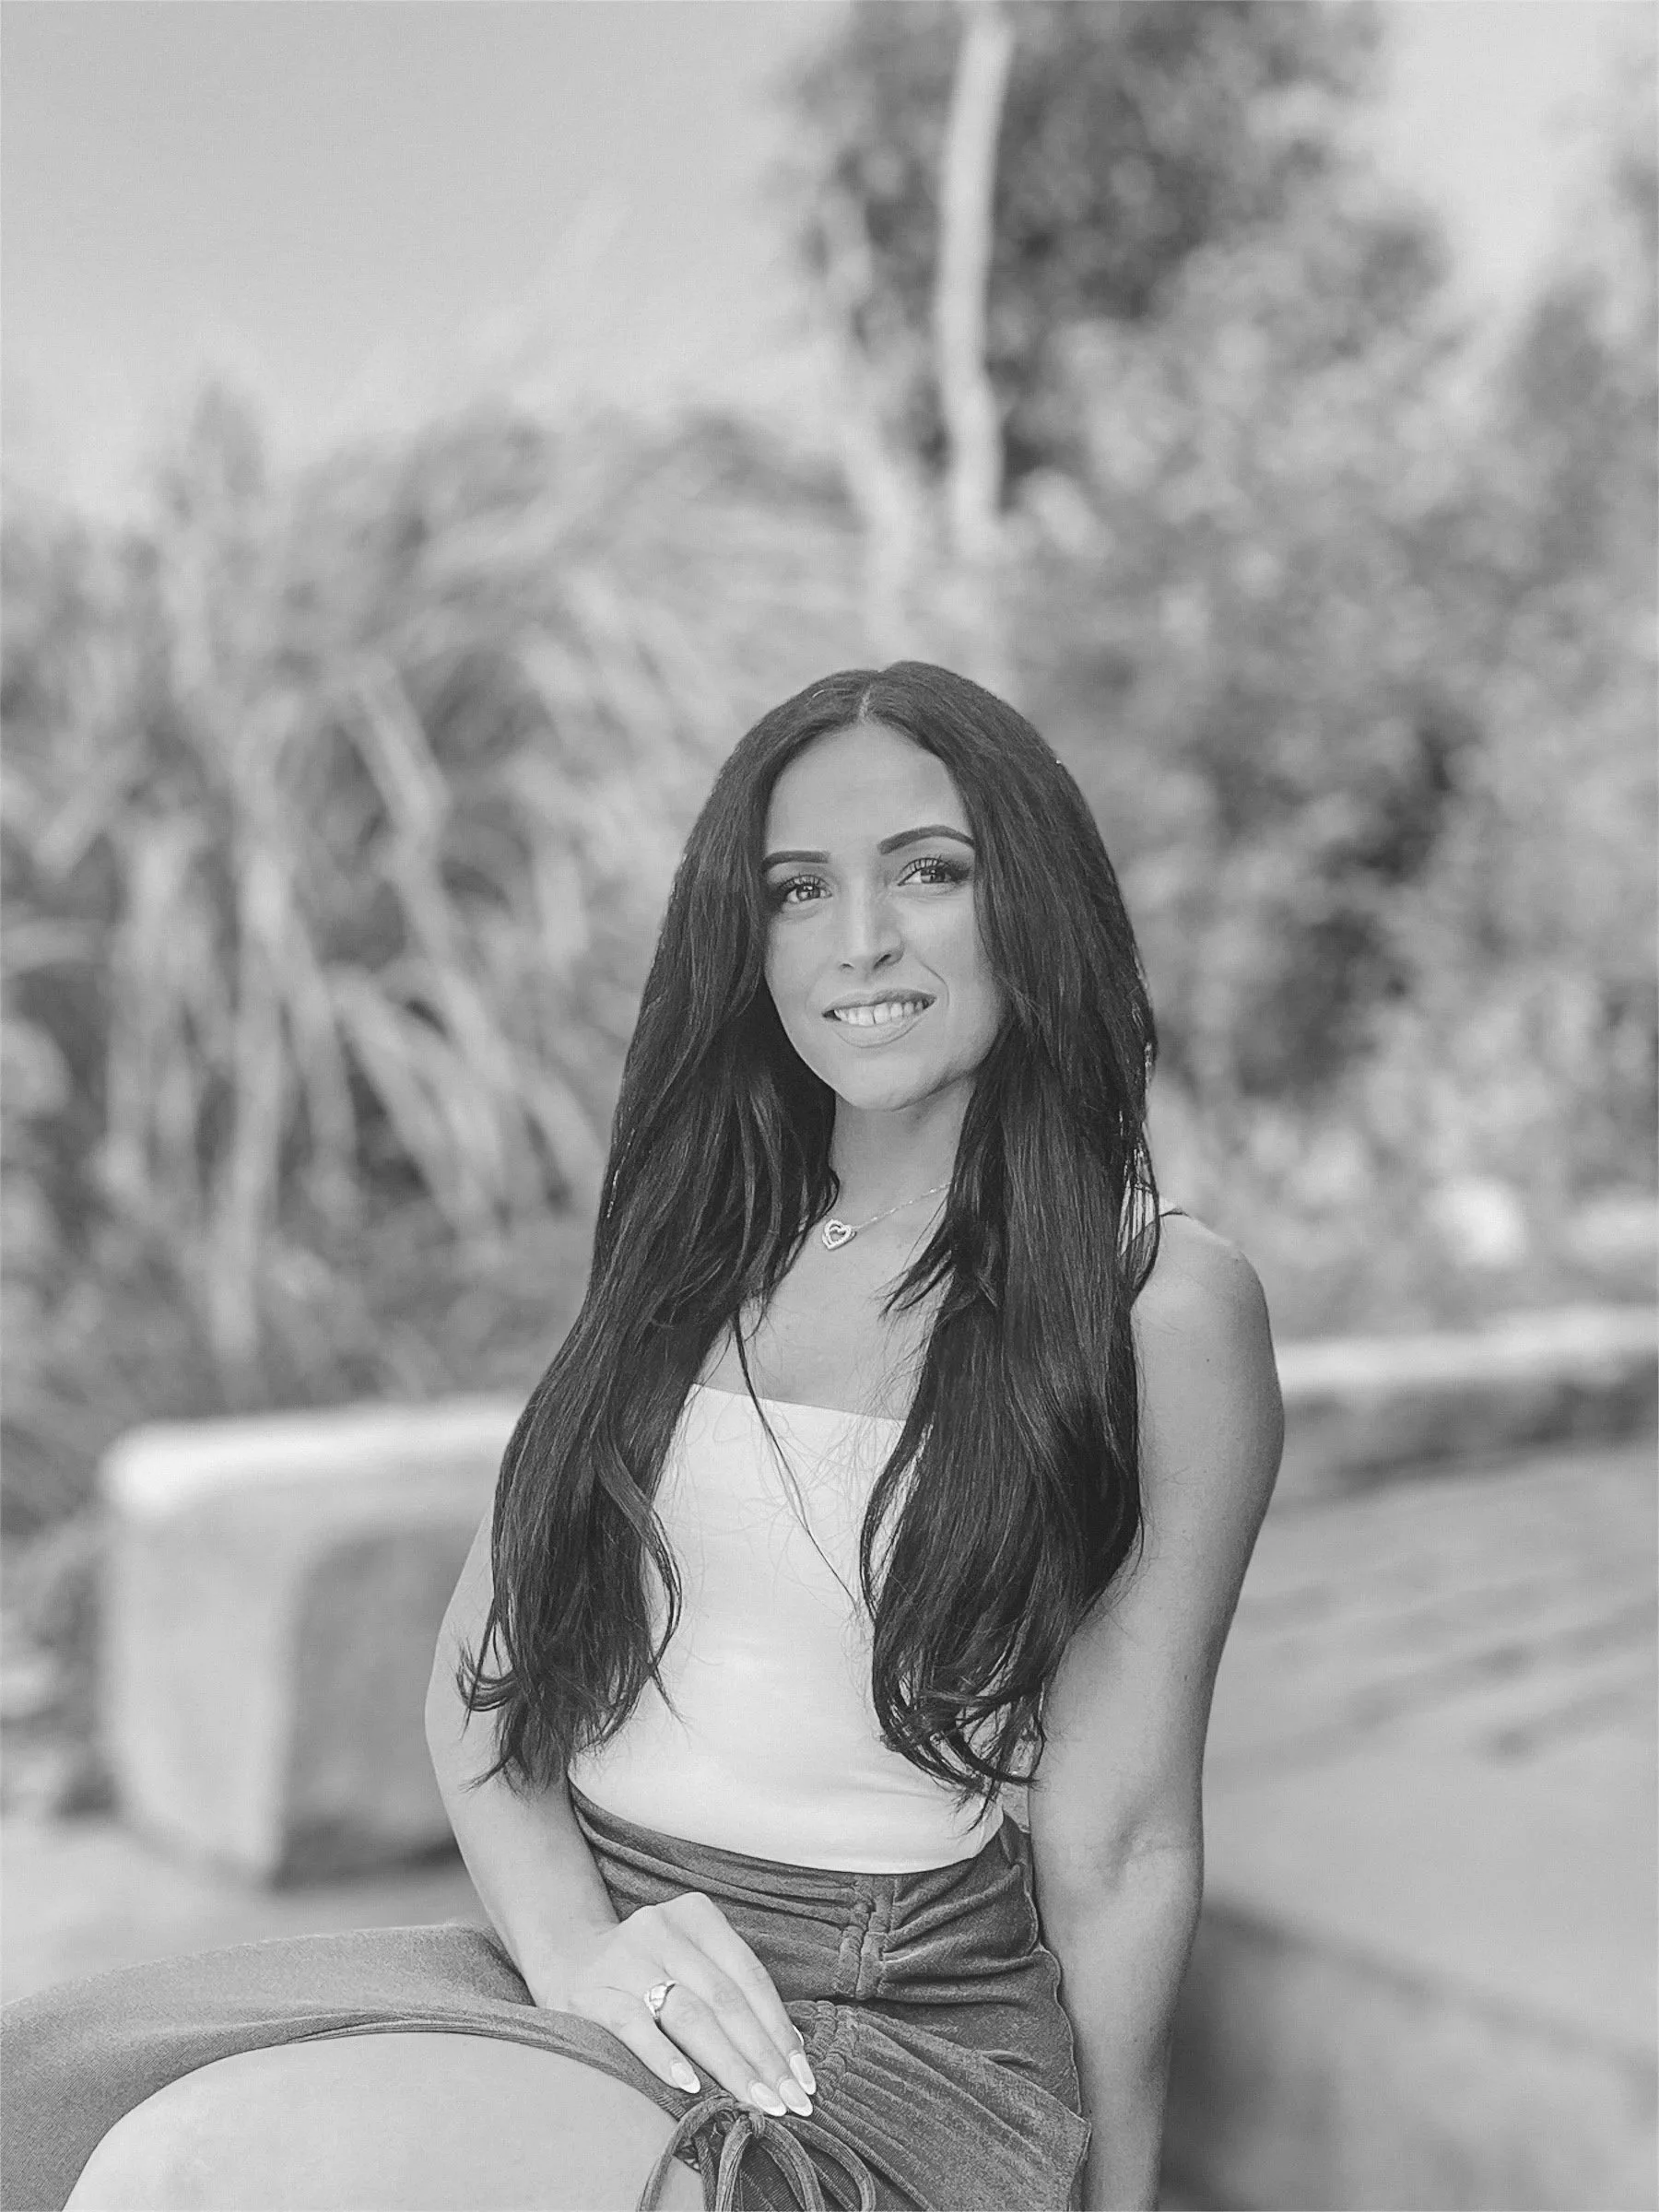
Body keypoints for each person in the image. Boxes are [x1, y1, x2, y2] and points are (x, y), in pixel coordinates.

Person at [2, 662, 1284, 2212]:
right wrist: (575, 1949)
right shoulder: (698, 1249)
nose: (860, 940)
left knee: (194, 2175)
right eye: (796, 892)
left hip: (875, 2041)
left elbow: (1127, 1835)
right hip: (599, 1952)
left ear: (1035, 898)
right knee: (64, 2113)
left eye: (929, 873)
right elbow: (482, 1696)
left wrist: (1114, 2199)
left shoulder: (1155, 1301)